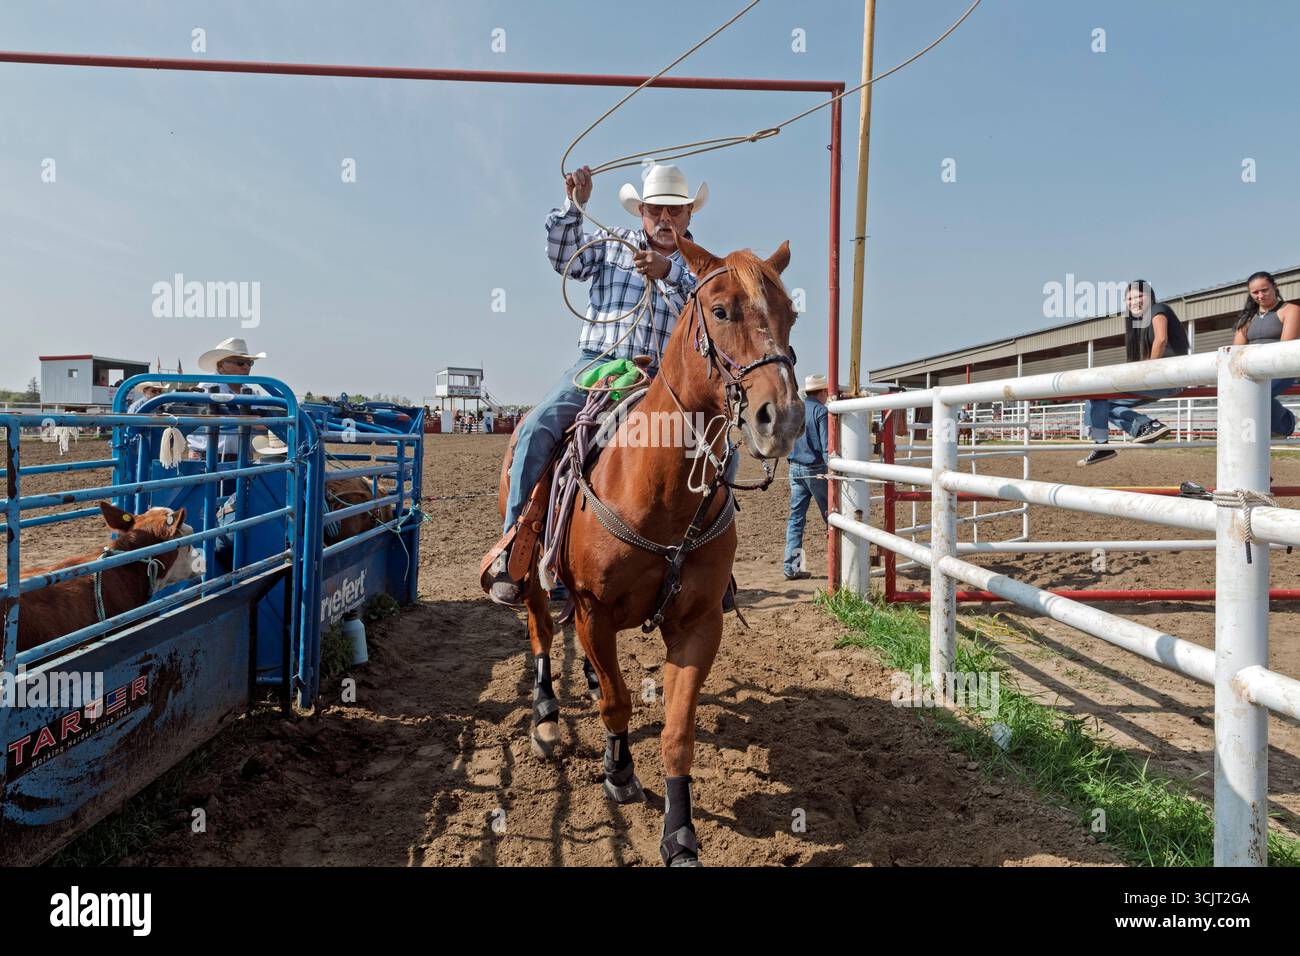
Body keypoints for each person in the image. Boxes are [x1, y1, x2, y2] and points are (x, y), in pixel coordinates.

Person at [487, 163, 708, 606]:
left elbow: (709, 306)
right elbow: (563, 257)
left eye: (675, 211)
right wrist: (576, 205)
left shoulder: (699, 266)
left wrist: (670, 272)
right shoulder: (612, 244)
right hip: (598, 366)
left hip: (663, 380)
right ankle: (515, 548)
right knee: (536, 429)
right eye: (656, 210)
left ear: (688, 218)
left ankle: (707, 560)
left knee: (722, 451)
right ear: (641, 213)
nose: (665, 219)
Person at [1078, 280, 1189, 466]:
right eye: (1129, 298)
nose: (1134, 301)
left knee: (1096, 395)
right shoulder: (1137, 326)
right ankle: (1142, 426)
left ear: (1150, 297)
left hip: (1168, 378)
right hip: (1158, 380)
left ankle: (1102, 444)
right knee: (1098, 399)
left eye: (1139, 296)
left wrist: (1148, 372)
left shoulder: (1158, 309)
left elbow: (1161, 340)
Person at [1233, 270, 1299, 439]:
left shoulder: (1290, 310)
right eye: (1255, 292)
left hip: (1280, 369)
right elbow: (1236, 348)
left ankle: (1285, 423)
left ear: (1274, 287)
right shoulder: (1248, 318)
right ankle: (1282, 421)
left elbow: (1285, 346)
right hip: (1251, 369)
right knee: (1239, 393)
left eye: (1264, 290)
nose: (1260, 295)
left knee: (1255, 393)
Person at [186, 337, 268, 462]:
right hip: (207, 459)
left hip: (242, 460)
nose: (246, 367)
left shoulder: (250, 392)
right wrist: (254, 421)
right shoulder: (207, 387)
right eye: (240, 362)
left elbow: (265, 422)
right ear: (221, 365)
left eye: (249, 363)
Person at [783, 374, 830, 581]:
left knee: (796, 520)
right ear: (822, 392)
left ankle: (792, 567)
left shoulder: (796, 410)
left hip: (795, 468)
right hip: (816, 468)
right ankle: (839, 564)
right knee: (832, 516)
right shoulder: (821, 411)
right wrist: (834, 470)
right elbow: (827, 446)